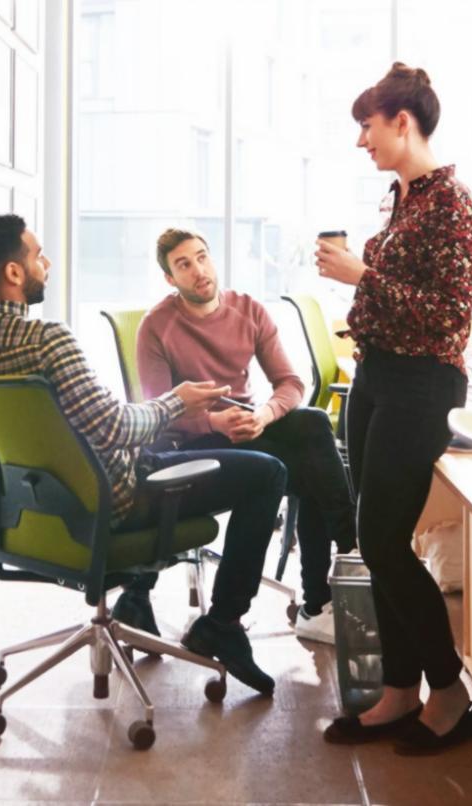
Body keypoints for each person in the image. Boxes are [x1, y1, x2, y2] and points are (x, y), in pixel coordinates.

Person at [0, 214, 287, 694]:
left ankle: (135, 601)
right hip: (119, 500)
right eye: (37, 254)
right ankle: (223, 625)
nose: (46, 261)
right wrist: (178, 401)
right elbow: (115, 429)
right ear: (13, 273)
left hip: (33, 514)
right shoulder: (47, 341)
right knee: (268, 474)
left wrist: (6, 460)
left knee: (215, 463)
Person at [314, 63, 472, 754]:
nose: (362, 141)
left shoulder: (451, 206)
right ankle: (397, 690)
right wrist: (365, 293)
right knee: (371, 536)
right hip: (378, 375)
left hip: (422, 384)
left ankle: (450, 695)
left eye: (368, 126)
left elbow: (448, 315)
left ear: (402, 122)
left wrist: (365, 275)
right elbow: (399, 296)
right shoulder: (405, 199)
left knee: (385, 540)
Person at [135, 228, 356, 645]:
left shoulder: (247, 310)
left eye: (202, 257)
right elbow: (156, 418)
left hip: (249, 425)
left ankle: (345, 551)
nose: (199, 270)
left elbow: (290, 382)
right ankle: (323, 593)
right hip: (195, 440)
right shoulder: (156, 327)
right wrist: (214, 424)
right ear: (170, 278)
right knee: (311, 468)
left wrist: (265, 414)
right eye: (184, 264)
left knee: (311, 424)